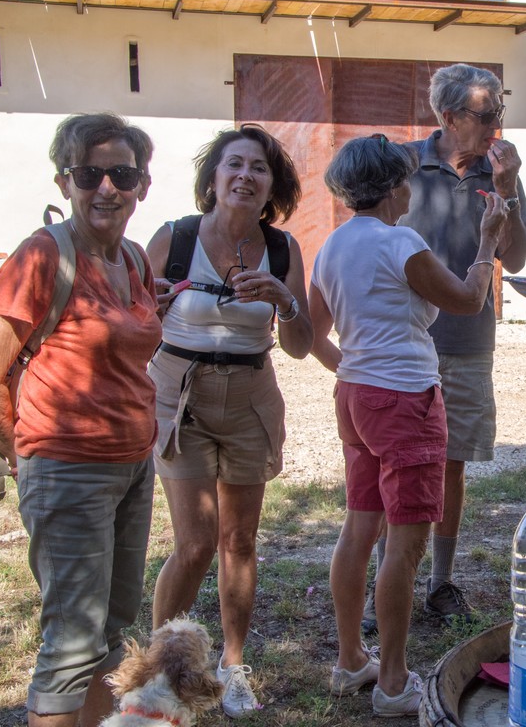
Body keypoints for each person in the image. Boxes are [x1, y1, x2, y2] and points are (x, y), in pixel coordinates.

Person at [0, 113, 161, 727]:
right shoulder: (42, 255)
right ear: (64, 181)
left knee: (111, 629)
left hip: (132, 467)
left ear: (142, 185)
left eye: (121, 174)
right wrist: (26, 463)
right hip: (67, 468)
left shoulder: (132, 258)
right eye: (89, 173)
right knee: (71, 643)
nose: (107, 187)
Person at [309, 135, 507, 716]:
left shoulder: (332, 245)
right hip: (405, 399)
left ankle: (352, 660)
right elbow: (469, 300)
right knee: (405, 542)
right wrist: (488, 240)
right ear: (398, 186)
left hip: (357, 394)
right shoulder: (401, 241)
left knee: (359, 527)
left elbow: (314, 333)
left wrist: (356, 370)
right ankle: (393, 682)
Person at [145, 124, 313, 717]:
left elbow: (299, 343)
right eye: (234, 165)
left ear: (272, 186)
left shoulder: (284, 249)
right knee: (194, 544)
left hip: (250, 395)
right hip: (180, 393)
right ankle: (162, 670)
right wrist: (152, 306)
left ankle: (233, 667)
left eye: (259, 168)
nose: (245, 176)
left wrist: (284, 300)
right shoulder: (175, 236)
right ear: (213, 179)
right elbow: (129, 316)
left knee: (239, 540)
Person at [391, 62, 526, 621]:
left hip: (470, 341)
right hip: (406, 341)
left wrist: (507, 194)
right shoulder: (402, 162)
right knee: (400, 464)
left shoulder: (501, 171)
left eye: (500, 111)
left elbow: (517, 256)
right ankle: (391, 578)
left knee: (452, 464)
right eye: (485, 114)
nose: (496, 125)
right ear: (448, 116)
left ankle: (441, 582)